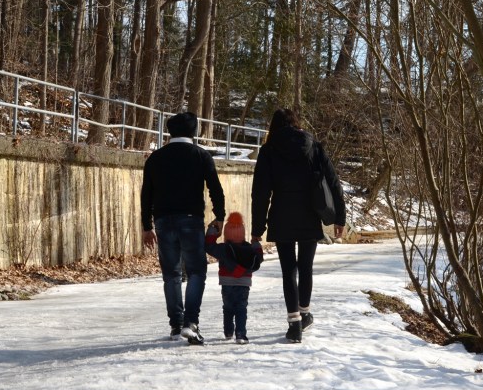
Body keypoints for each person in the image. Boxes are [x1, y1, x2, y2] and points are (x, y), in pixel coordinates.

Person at [251, 108, 346, 343]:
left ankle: (294, 323)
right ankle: (304, 314)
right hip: (308, 214)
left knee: (287, 270)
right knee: (305, 266)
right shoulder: (313, 146)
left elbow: (260, 193)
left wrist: (257, 229)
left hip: (281, 214)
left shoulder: (268, 151)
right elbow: (333, 183)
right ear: (296, 123)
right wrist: (340, 218)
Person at [141, 112, 225, 345]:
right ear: (193, 131)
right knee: (197, 271)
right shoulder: (201, 155)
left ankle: (176, 324)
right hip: (191, 220)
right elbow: (215, 188)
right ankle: (191, 322)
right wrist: (220, 216)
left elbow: (146, 193)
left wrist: (147, 226)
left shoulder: (156, 158)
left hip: (163, 220)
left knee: (172, 274)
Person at [205, 212, 263, 344]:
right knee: (241, 308)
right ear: (243, 234)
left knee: (228, 307)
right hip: (244, 283)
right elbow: (259, 259)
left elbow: (209, 246)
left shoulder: (223, 249)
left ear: (226, 234)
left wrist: (213, 229)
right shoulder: (249, 249)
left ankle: (228, 331)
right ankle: (241, 334)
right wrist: (255, 243)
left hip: (226, 282)